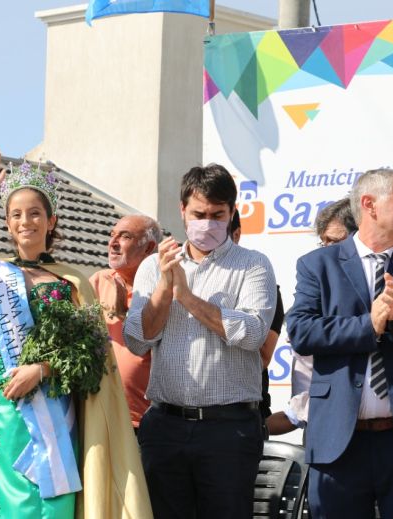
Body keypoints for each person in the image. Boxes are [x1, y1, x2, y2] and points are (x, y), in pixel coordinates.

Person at [0, 152, 152, 518]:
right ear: (7, 224)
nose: (26, 222)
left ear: (51, 221)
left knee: (50, 503)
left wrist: (41, 370)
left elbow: (90, 354)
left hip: (52, 412)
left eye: (35, 213)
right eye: (17, 215)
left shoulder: (70, 282)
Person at [124, 164, 277, 519]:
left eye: (217, 215)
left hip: (229, 430)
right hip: (165, 425)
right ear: (182, 211)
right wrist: (165, 286)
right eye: (198, 214)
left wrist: (189, 298)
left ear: (232, 213)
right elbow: (137, 340)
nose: (207, 223)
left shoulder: (253, 266)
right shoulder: (153, 266)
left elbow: (253, 333)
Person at [287, 169, 393, 518]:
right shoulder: (317, 265)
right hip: (339, 443)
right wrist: (368, 325)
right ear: (369, 205)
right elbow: (302, 330)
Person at [267, 197, 357, 435]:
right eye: (323, 243)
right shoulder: (310, 299)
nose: (326, 252)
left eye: (335, 242)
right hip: (324, 435)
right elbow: (299, 412)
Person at [89, 215, 161, 432]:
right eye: (112, 235)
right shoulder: (99, 281)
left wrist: (125, 313)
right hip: (99, 418)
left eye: (125, 236)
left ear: (148, 248)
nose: (113, 243)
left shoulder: (163, 290)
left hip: (144, 423)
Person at [228, 211, 284, 434]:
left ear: (236, 234)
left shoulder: (263, 287)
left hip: (242, 414)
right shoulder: (184, 278)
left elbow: (261, 358)